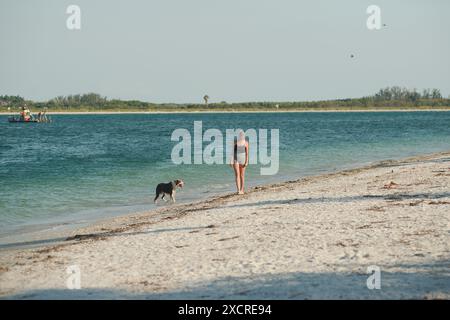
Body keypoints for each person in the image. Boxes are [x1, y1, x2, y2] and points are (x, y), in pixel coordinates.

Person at [230, 130, 249, 194]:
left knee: (242, 175)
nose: (241, 136)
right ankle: (238, 190)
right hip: (236, 159)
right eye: (240, 135)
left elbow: (247, 153)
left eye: (242, 135)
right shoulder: (235, 142)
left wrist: (246, 162)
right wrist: (231, 161)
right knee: (237, 174)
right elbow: (232, 153)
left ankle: (242, 189)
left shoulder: (246, 143)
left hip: (243, 160)